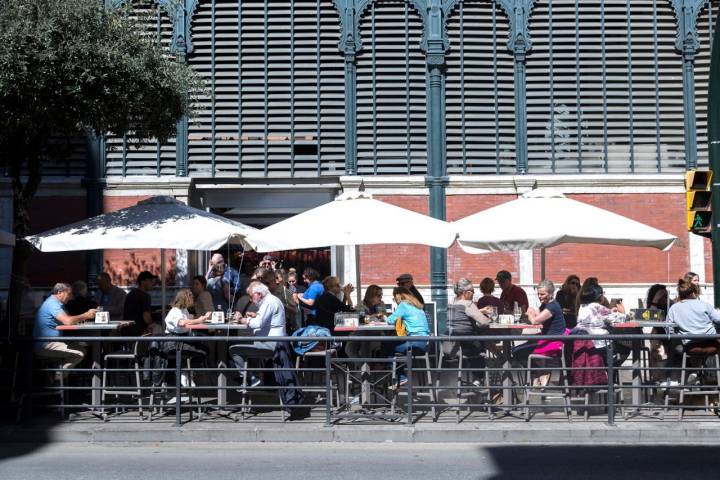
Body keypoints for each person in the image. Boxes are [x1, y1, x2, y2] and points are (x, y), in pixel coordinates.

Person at [33, 283, 96, 379]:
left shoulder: (56, 303)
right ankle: (57, 379)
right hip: (46, 345)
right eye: (69, 294)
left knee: (81, 347)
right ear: (59, 293)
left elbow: (69, 318)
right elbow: (68, 321)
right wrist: (86, 315)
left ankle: (61, 377)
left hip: (50, 342)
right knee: (80, 352)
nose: (71, 297)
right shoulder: (53, 304)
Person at [229, 281, 286, 388]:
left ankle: (251, 379)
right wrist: (255, 315)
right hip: (273, 342)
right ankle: (252, 377)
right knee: (243, 344)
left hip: (271, 344)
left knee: (234, 349)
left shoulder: (268, 302)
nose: (251, 300)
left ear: (259, 294)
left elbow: (257, 323)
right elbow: (266, 319)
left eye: (251, 296)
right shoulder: (271, 300)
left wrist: (242, 319)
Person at [444, 278, 492, 386]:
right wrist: (491, 318)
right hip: (466, 346)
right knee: (480, 348)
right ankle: (478, 380)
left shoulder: (451, 303)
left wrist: (479, 311)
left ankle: (475, 379)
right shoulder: (468, 304)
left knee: (476, 343)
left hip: (450, 346)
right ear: (465, 293)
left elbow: (463, 314)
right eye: (472, 291)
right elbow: (484, 322)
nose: (474, 294)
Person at [163, 289, 211, 391]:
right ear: (186, 299)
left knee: (205, 349)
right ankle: (185, 372)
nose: (193, 299)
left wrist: (203, 318)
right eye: (191, 297)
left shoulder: (184, 310)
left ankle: (187, 371)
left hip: (182, 340)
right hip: (173, 342)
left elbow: (190, 318)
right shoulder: (174, 311)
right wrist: (199, 320)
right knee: (202, 351)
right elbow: (181, 323)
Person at [384, 286, 430, 387]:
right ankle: (397, 375)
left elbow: (390, 320)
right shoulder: (416, 305)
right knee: (392, 345)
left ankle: (400, 377)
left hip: (414, 343)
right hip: (425, 343)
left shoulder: (403, 305)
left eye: (394, 298)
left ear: (398, 297)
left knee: (388, 346)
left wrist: (384, 316)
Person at [512, 280, 566, 364]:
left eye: (542, 294)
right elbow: (538, 315)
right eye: (538, 294)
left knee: (516, 351)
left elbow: (535, 321)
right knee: (517, 349)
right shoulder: (546, 304)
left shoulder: (552, 307)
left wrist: (530, 311)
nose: (539, 296)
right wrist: (531, 313)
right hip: (547, 340)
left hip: (551, 343)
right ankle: (537, 373)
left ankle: (538, 374)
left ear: (551, 294)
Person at [668, 276, 720, 354]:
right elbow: (718, 319)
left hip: (690, 345)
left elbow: (669, 328)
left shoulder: (674, 308)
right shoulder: (705, 305)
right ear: (693, 292)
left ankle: (695, 365)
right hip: (711, 343)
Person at [122, 270, 157, 336]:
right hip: (139, 332)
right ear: (142, 281)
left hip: (125, 330)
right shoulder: (145, 296)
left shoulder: (130, 294)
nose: (152, 283)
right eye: (150, 280)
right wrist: (153, 323)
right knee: (159, 328)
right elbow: (146, 318)